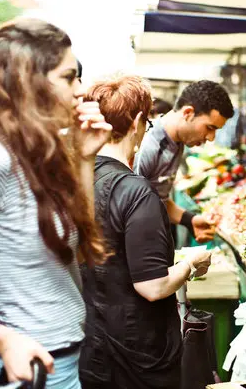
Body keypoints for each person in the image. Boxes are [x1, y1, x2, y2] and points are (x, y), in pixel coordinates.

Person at [0, 18, 112, 387]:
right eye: (69, 77)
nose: (81, 91)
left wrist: (84, 157)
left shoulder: (38, 156)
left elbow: (79, 252)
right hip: (22, 369)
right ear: (28, 82)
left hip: (56, 362)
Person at [79, 75, 212, 389]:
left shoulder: (77, 180)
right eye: (148, 121)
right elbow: (153, 287)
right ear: (138, 120)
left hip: (91, 342)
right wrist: (189, 265)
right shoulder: (136, 192)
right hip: (135, 353)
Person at [134, 80, 234, 244]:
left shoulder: (177, 143)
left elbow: (157, 200)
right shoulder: (148, 146)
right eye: (210, 128)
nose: (211, 138)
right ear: (188, 113)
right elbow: (129, 209)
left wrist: (189, 220)